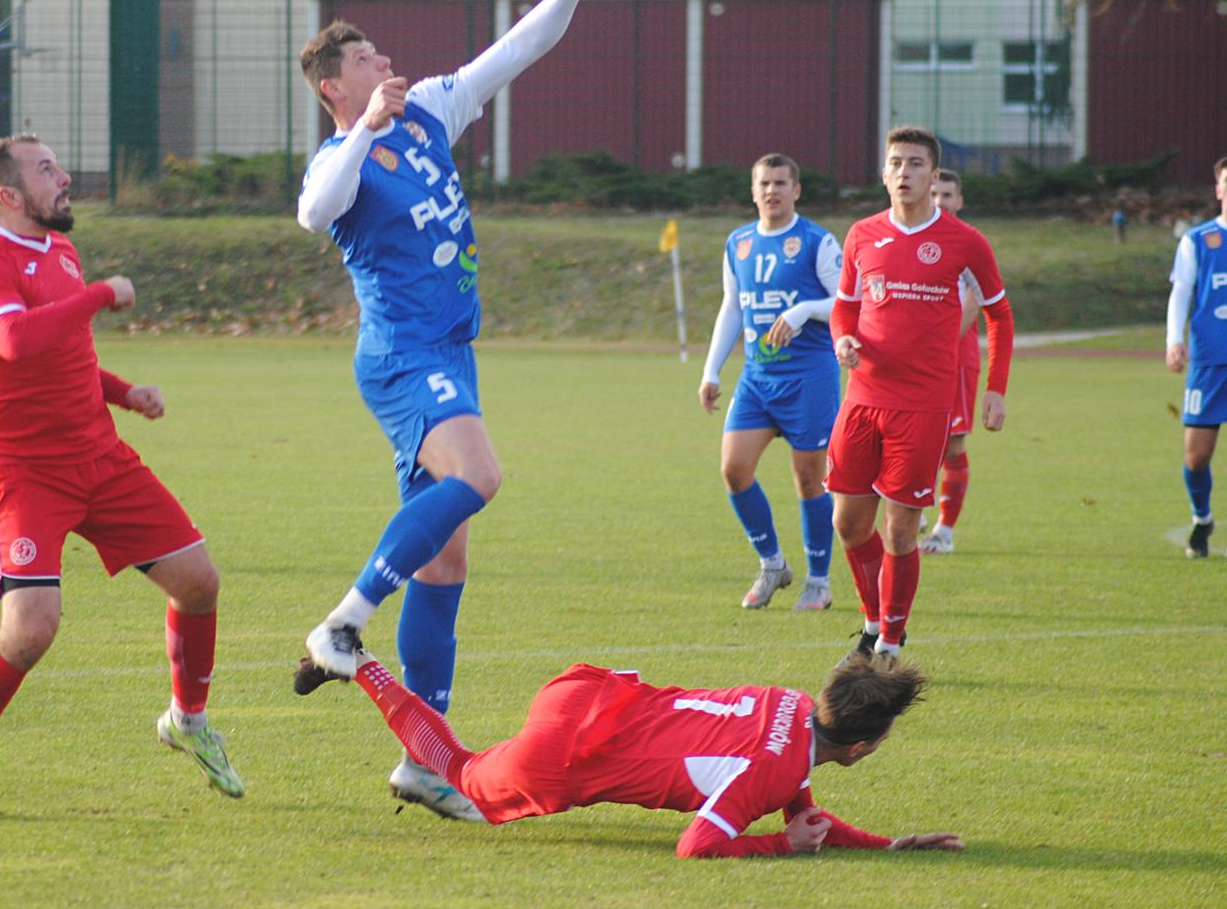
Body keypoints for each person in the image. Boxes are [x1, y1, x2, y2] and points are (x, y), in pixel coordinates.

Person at [292, 0, 631, 820]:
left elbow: (514, 50)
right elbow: (313, 210)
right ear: (335, 86)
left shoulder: (433, 109)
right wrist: (363, 131)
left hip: (450, 350)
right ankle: (341, 622)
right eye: (369, 62)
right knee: (479, 478)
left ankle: (423, 759)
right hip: (403, 354)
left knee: (445, 562)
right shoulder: (345, 152)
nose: (389, 67)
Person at [0, 135, 242, 820]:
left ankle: (187, 721)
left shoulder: (60, 249)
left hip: (99, 456)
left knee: (199, 581)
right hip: (25, 471)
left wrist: (123, 393)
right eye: (47, 171)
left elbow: (64, 351)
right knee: (30, 629)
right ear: (10, 196)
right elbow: (14, 341)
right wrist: (101, 293)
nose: (64, 177)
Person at [315, 647, 963, 858]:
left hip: (589, 693)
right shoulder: (775, 769)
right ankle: (359, 664)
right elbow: (699, 846)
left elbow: (796, 799)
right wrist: (777, 847)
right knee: (459, 769)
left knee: (474, 765)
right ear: (861, 745)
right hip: (567, 750)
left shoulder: (789, 705)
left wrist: (887, 845)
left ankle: (362, 673)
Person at [829, 127, 1015, 660]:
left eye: (915, 164)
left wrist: (995, 389)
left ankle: (887, 640)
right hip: (862, 397)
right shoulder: (862, 234)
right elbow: (845, 304)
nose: (904, 172)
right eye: (896, 163)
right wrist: (843, 335)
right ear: (884, 174)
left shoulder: (964, 241)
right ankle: (871, 621)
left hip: (924, 405)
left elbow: (1000, 313)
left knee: (901, 529)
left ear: (934, 177)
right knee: (847, 522)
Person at [699, 154, 843, 611]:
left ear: (796, 190)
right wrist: (711, 369)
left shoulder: (816, 241)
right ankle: (772, 564)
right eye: (764, 183)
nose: (772, 190)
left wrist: (803, 311)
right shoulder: (738, 243)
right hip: (758, 377)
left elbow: (845, 301)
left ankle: (818, 581)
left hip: (809, 378)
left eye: (781, 182)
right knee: (733, 469)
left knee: (809, 480)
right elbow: (732, 306)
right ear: (753, 190)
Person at [918, 169, 984, 556]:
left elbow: (975, 301)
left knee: (952, 444)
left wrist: (940, 344)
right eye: (935, 193)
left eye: (947, 194)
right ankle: (914, 505)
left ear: (959, 201)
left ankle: (944, 531)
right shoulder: (913, 240)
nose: (940, 200)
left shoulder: (968, 244)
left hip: (954, 357)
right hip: (911, 359)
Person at [1164, 155, 1227, 558]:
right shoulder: (1200, 239)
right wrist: (1174, 339)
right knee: (1197, 453)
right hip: (1209, 359)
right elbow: (1181, 292)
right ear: (1219, 189)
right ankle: (1201, 518)